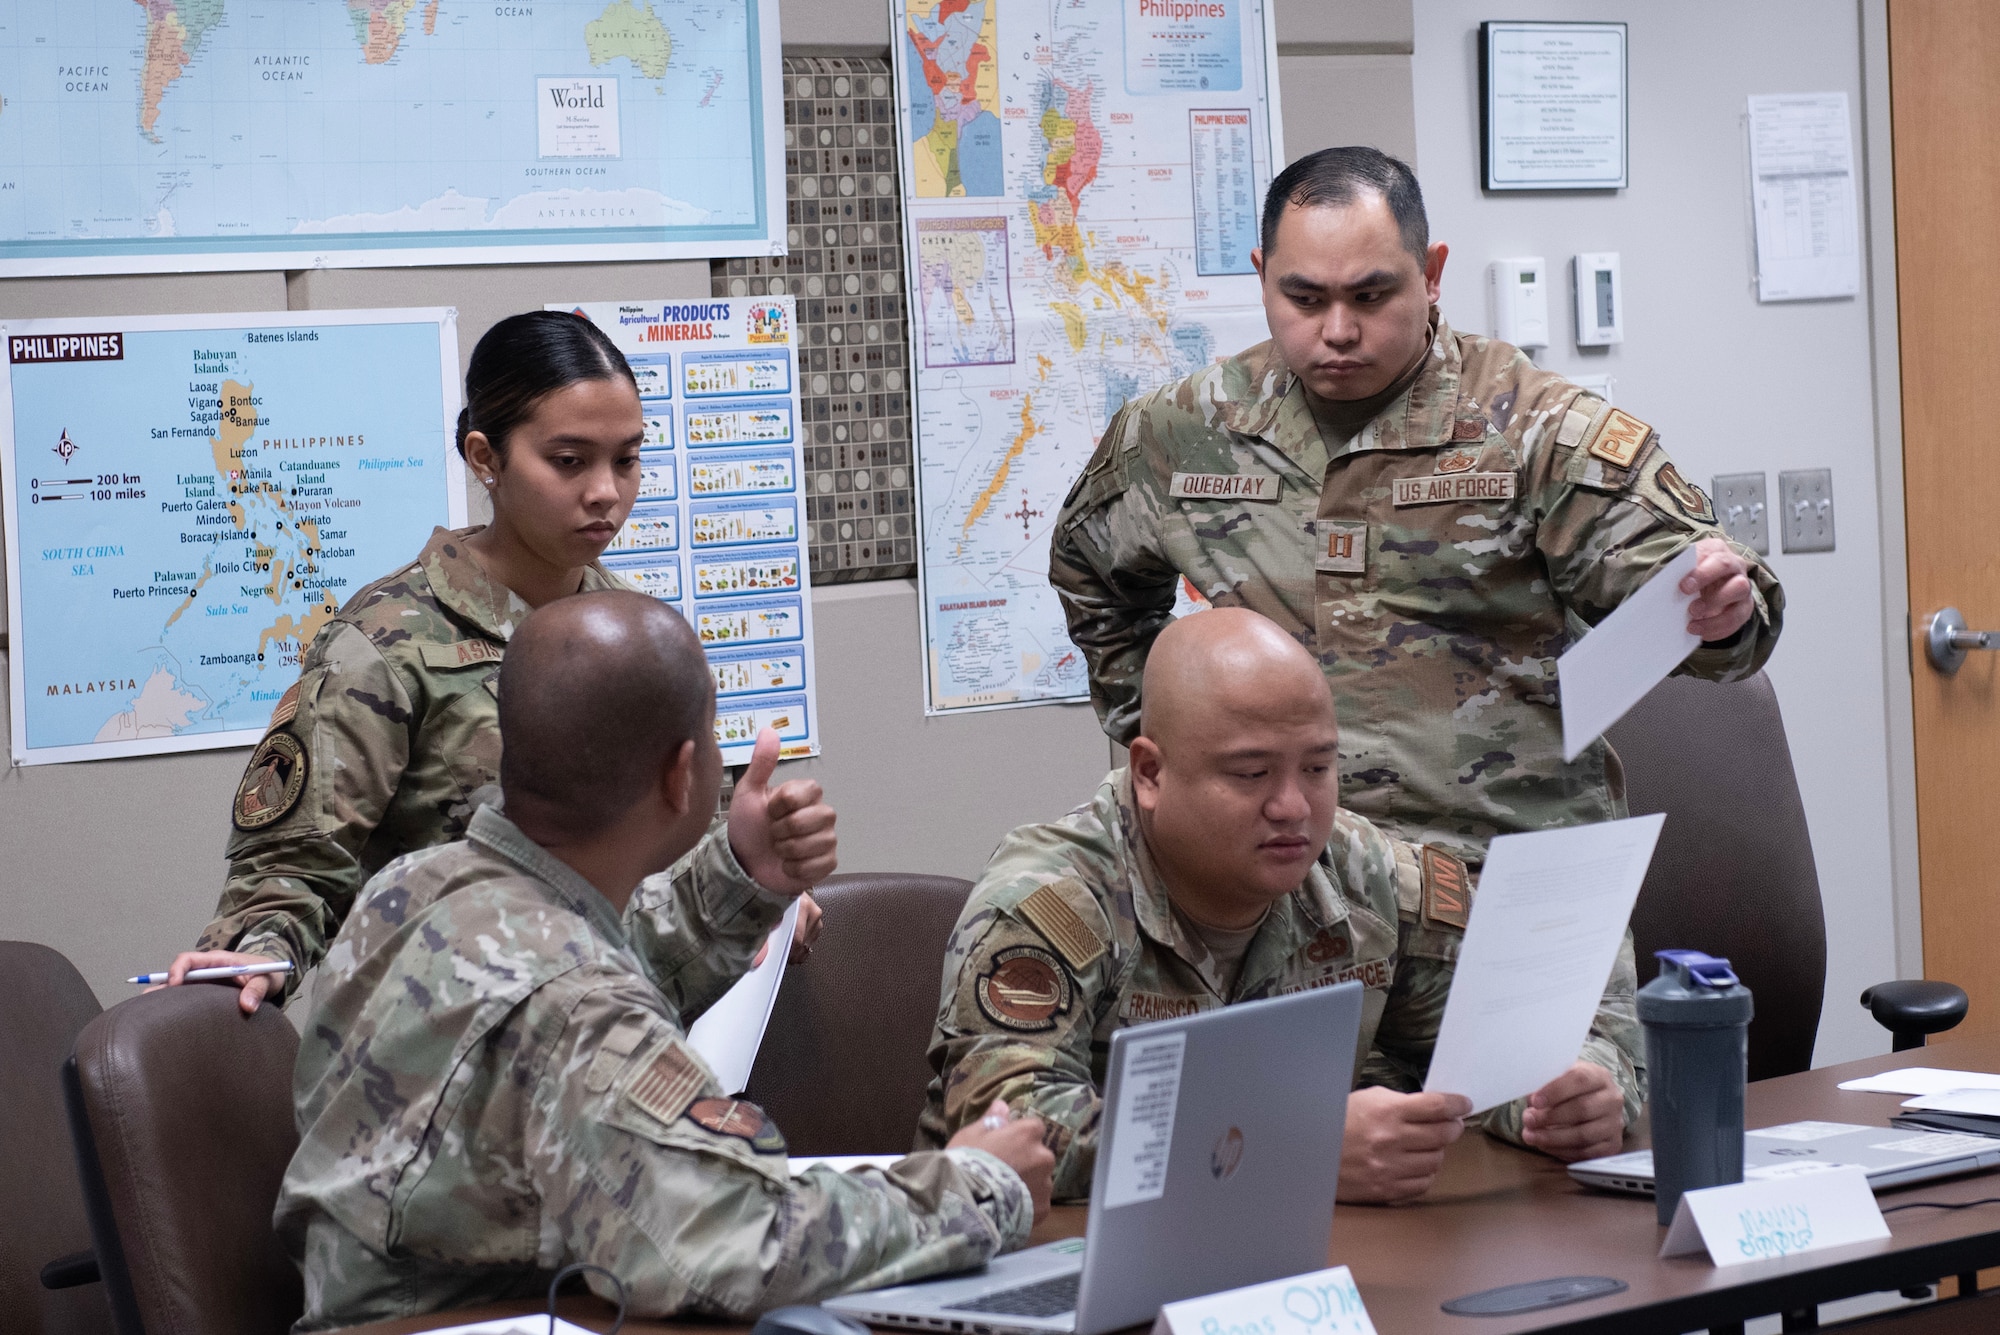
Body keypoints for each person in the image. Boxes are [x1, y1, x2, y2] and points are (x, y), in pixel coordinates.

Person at [278, 589, 1054, 1330]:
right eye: (715, 737)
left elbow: (575, 955)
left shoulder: (409, 888)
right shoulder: (581, 1006)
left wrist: (742, 871)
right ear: (683, 774)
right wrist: (980, 1186)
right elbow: (734, 1246)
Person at [1049, 148, 1785, 865]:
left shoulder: (1538, 428)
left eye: (1371, 296)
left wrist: (1723, 612)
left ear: (1431, 274)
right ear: (1261, 277)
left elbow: (1715, 603)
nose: (1337, 330)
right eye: (1304, 298)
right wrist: (1176, 737)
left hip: (1502, 875)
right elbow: (1088, 566)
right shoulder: (1183, 432)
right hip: (1295, 892)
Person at [162, 311, 816, 1012]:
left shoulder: (634, 627)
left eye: (626, 459)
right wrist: (262, 950)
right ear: (485, 458)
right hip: (447, 1033)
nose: (605, 491)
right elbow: (291, 869)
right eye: (570, 461)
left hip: (618, 1016)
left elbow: (687, 825)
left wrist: (761, 881)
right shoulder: (386, 640)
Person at [919, 608, 1638, 1205]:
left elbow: (1533, 1008)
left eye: (1319, 768)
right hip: (1060, 1278)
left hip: (1292, 1267)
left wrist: (1569, 1092)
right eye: (1252, 772)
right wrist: (1297, 1146)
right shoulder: (1052, 902)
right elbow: (1016, 1130)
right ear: (1150, 772)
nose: (1293, 806)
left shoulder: (1360, 873)